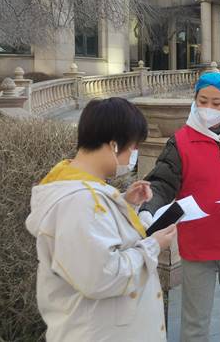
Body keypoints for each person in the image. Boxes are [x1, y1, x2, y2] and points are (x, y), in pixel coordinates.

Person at [26, 98, 176, 342]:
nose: (134, 155)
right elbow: (102, 276)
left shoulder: (82, 190)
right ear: (114, 145)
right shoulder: (77, 202)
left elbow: (95, 237)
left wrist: (126, 203)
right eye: (133, 147)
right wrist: (153, 246)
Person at [139, 72, 220, 342]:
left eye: (216, 103)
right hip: (198, 246)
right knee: (195, 324)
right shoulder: (181, 141)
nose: (208, 108)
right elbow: (161, 183)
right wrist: (147, 209)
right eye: (203, 101)